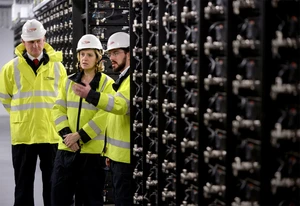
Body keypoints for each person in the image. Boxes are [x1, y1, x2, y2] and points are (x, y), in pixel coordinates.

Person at [0, 19, 67, 206]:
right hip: (24, 135)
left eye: (39, 40)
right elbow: (5, 97)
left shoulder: (58, 67)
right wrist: (20, 116)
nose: (36, 45)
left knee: (52, 185)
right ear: (23, 42)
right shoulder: (10, 68)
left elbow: (64, 100)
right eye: (31, 41)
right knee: (23, 186)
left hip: (51, 133)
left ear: (44, 38)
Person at [51, 34, 115, 206]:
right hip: (66, 150)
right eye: (82, 54)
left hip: (91, 153)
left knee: (90, 201)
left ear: (98, 58)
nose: (84, 58)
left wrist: (79, 136)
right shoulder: (68, 81)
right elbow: (58, 109)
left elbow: (104, 115)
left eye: (89, 54)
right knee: (59, 198)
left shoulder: (106, 84)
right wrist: (67, 136)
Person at [72, 32, 132, 205]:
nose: (111, 57)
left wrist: (91, 95)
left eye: (116, 53)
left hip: (125, 159)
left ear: (129, 54)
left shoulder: (132, 80)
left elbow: (120, 106)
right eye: (110, 53)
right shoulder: (123, 79)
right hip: (117, 156)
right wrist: (109, 150)